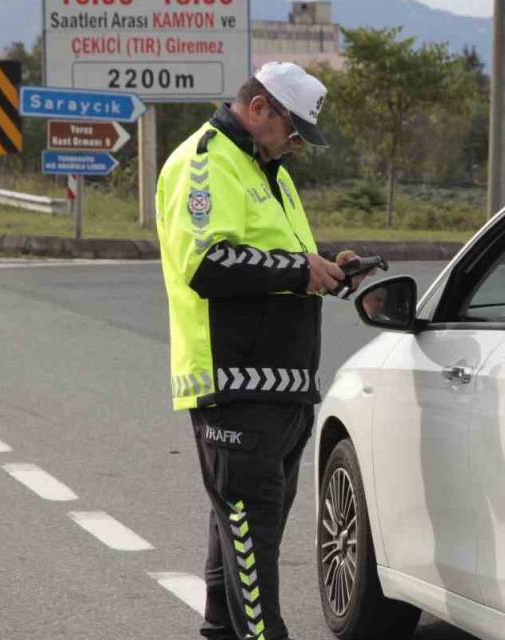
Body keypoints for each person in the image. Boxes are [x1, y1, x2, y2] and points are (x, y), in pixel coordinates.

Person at [153, 62, 367, 640]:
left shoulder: (267, 170)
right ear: (258, 110)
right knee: (254, 542)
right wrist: (301, 270)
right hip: (232, 383)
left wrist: (326, 268)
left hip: (283, 386)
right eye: (292, 131)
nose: (297, 146)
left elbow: (276, 258)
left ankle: (223, 629)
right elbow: (207, 264)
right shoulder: (204, 162)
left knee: (242, 535)